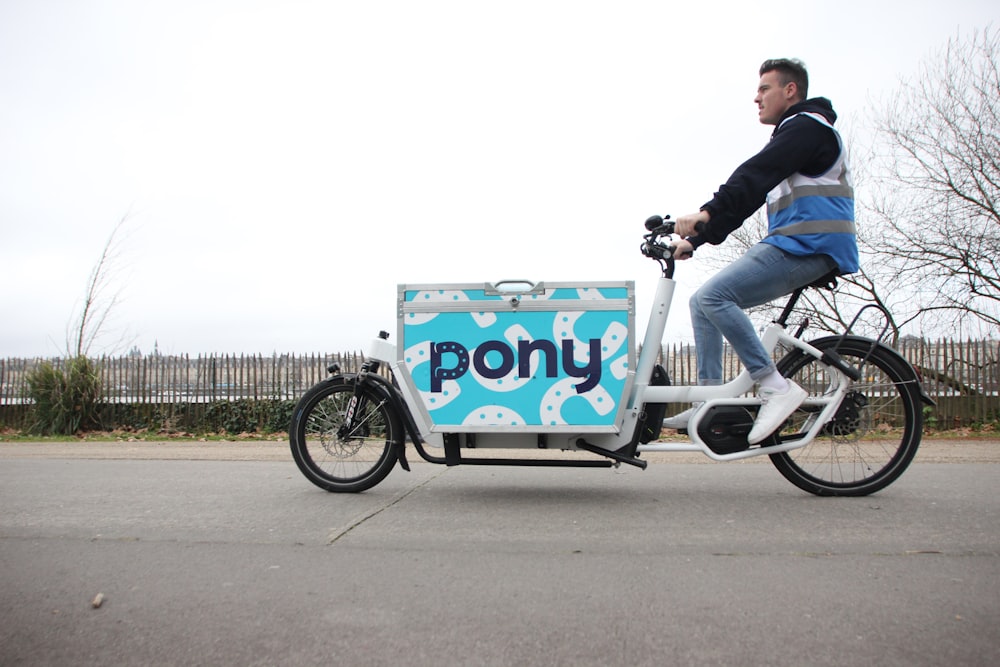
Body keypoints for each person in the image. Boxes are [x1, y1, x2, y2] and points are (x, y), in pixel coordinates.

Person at [666, 58, 859, 444]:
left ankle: (774, 385)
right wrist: (697, 238)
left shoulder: (807, 128)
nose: (756, 99)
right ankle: (713, 401)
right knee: (701, 304)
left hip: (809, 246)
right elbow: (750, 198)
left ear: (790, 91)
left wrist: (706, 212)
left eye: (764, 89)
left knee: (715, 296)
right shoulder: (795, 134)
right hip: (796, 244)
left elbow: (753, 174)